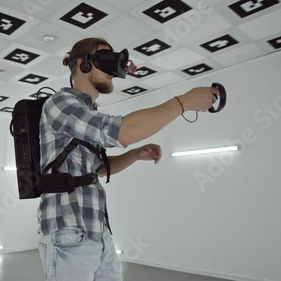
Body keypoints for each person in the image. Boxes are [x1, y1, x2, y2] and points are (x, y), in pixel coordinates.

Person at [37, 37, 218, 281]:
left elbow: (98, 170)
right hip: (68, 230)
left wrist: (134, 155)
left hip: (98, 230)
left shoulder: (89, 113)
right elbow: (122, 131)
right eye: (106, 61)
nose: (113, 72)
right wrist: (183, 102)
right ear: (83, 64)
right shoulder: (60, 103)